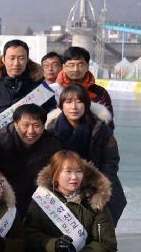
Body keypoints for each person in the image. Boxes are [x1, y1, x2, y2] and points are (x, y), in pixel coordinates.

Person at [45, 84, 127, 224]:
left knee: (105, 215)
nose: (74, 107)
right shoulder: (52, 129)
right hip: (63, 181)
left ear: (87, 104)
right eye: (69, 102)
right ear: (61, 105)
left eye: (79, 101)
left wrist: (100, 181)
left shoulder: (100, 128)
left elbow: (111, 159)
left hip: (96, 179)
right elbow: (47, 160)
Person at [0, 104, 62, 218]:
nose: (31, 131)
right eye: (25, 125)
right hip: (6, 198)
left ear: (43, 126)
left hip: (38, 199)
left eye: (36, 125)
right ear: (16, 124)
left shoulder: (52, 145)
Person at [0, 39, 56, 127]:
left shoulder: (39, 88)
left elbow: (50, 117)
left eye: (21, 58)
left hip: (31, 138)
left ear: (27, 60)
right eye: (12, 58)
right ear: (3, 59)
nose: (16, 63)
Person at [53, 46, 115, 123]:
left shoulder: (100, 92)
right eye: (71, 65)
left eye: (80, 65)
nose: (76, 69)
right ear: (64, 67)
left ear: (87, 67)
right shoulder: (51, 90)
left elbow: (108, 124)